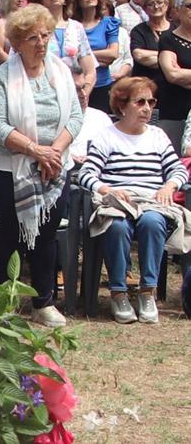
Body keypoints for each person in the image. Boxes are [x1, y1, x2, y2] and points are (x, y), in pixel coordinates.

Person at [0, 4, 83, 329]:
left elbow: (75, 116)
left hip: (55, 165)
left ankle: (43, 302)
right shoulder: (2, 77)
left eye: (45, 36)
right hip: (11, 168)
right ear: (17, 42)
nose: (40, 43)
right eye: (32, 38)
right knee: (13, 235)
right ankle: (6, 301)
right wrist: (35, 150)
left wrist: (53, 152)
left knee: (46, 235)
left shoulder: (61, 71)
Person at [80, 76, 189, 324]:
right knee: (117, 226)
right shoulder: (106, 137)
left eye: (151, 102)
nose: (147, 108)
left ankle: (147, 292)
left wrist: (169, 185)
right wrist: (107, 189)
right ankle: (119, 292)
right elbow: (87, 175)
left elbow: (178, 170)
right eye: (140, 102)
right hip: (118, 203)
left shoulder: (158, 136)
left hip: (150, 201)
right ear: (122, 105)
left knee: (152, 222)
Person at [27, 0, 95, 101]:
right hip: (42, 99)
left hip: (75, 97)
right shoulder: (30, 28)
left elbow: (90, 71)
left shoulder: (76, 27)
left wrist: (83, 94)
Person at [74, 0, 123, 111]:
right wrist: (99, 59)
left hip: (103, 85)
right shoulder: (72, 26)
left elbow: (113, 54)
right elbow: (68, 59)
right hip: (77, 86)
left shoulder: (108, 23)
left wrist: (83, 56)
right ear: (77, 0)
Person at [157, 0, 191, 131]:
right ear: (177, 9)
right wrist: (178, 75)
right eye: (190, 6)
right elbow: (172, 75)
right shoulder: (168, 39)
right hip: (175, 113)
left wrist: (185, 74)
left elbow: (180, 74)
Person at [130, 0, 170, 89]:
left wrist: (153, 55)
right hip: (145, 88)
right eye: (151, 4)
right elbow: (139, 55)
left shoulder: (177, 29)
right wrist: (170, 57)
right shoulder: (138, 31)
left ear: (166, 4)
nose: (156, 7)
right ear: (144, 8)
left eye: (159, 2)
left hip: (174, 88)